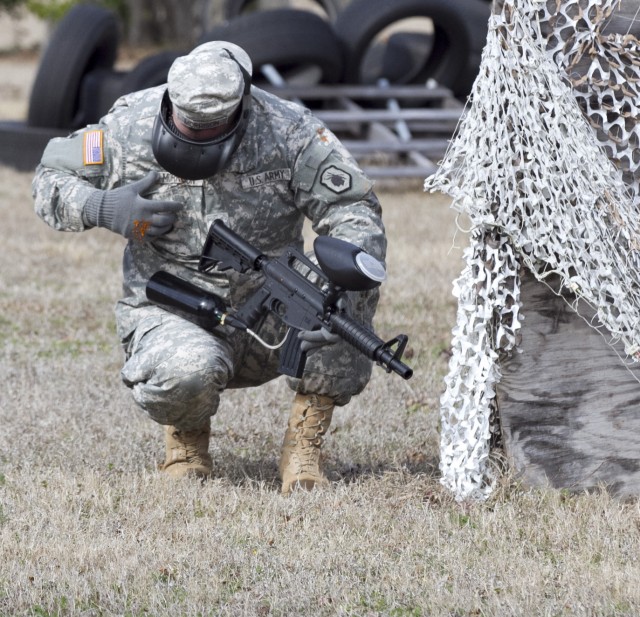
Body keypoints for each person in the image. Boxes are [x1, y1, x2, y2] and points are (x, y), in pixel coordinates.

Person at [32, 41, 387, 494]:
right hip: (175, 307)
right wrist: (102, 206)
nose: (197, 134)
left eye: (211, 126)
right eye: (188, 124)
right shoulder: (128, 126)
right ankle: (186, 443)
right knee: (186, 369)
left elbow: (353, 206)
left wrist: (334, 266)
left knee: (347, 287)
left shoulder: (289, 130)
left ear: (242, 104)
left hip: (278, 305)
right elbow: (49, 177)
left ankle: (303, 445)